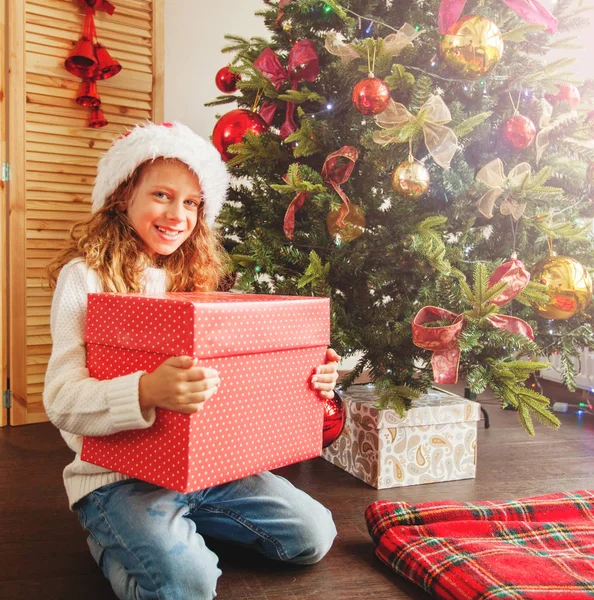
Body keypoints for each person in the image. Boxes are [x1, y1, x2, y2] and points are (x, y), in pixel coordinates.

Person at [43, 121, 340, 600]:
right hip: (119, 479)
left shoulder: (196, 278)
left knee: (314, 535)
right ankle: (110, 541)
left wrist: (308, 374)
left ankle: (182, 527)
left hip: (209, 469)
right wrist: (144, 390)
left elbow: (242, 379)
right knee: (188, 587)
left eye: (191, 202)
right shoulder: (86, 278)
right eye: (161, 195)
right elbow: (60, 401)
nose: (177, 214)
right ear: (123, 197)